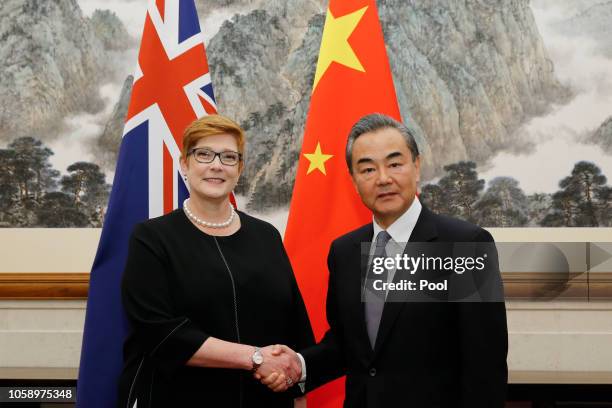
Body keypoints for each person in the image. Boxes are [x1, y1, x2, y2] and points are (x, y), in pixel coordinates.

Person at [260, 113, 508, 407]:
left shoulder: (464, 245)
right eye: (367, 169)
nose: (383, 179)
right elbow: (348, 345)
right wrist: (299, 365)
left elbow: (485, 364)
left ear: (417, 166)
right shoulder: (345, 251)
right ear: (353, 180)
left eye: (394, 164)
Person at [117, 114, 313, 408]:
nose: (216, 165)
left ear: (239, 168)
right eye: (204, 154)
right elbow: (159, 332)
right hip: (179, 399)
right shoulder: (151, 238)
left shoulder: (267, 236)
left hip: (265, 400)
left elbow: (294, 325)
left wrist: (298, 391)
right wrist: (255, 358)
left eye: (228, 157)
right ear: (185, 164)